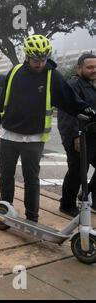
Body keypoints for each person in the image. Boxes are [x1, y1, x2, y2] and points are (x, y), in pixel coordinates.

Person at [0, 35, 95, 223]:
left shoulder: (51, 75)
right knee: (6, 176)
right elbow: (3, 100)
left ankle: (32, 218)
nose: (39, 64)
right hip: (8, 134)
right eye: (36, 60)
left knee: (32, 179)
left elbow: (69, 99)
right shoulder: (14, 72)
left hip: (34, 138)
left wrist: (87, 110)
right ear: (27, 57)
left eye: (43, 60)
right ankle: (4, 211)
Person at [58, 53, 96, 217]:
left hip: (94, 136)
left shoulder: (92, 85)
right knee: (78, 171)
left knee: (81, 170)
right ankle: (66, 205)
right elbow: (67, 114)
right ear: (79, 68)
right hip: (79, 136)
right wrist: (75, 136)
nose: (94, 70)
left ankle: (88, 195)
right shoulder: (73, 85)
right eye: (90, 67)